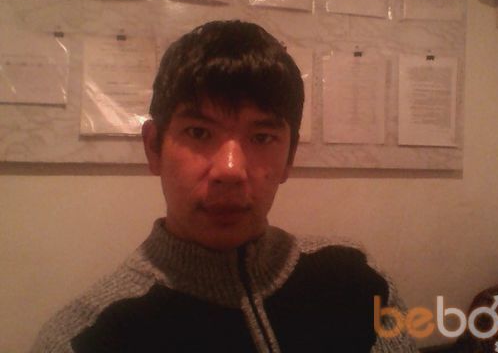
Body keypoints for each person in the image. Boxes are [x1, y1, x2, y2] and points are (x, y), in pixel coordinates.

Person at [31, 20, 417, 352]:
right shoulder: (83, 339)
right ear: (153, 148)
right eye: (199, 132)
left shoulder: (359, 283)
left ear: (289, 158)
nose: (230, 170)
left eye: (262, 137)